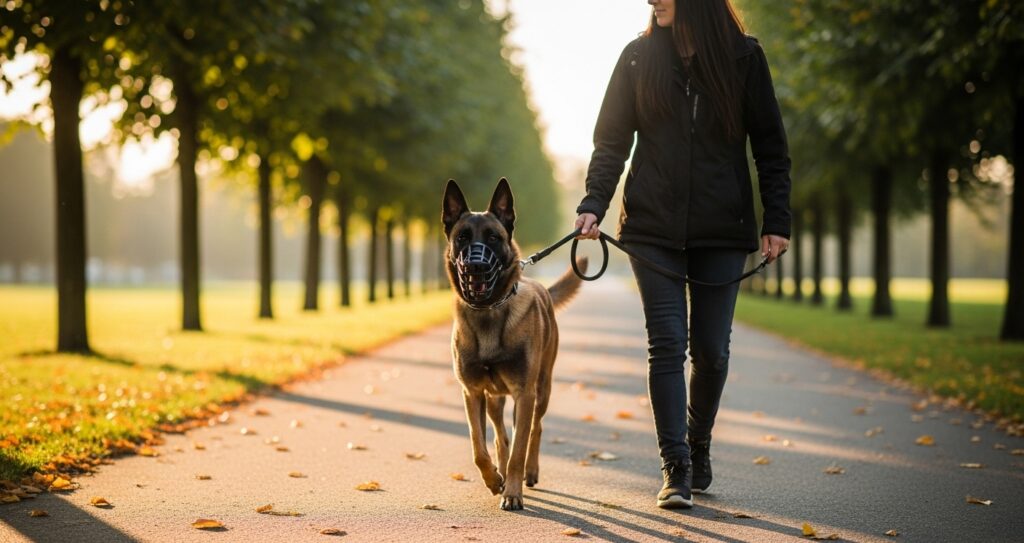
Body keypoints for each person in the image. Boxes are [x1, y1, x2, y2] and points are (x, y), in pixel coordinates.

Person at [575, 0, 792, 509]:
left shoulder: (744, 58)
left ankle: (698, 443)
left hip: (723, 228)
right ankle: (675, 466)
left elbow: (771, 147)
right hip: (652, 228)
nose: (650, 0)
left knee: (712, 351)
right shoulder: (637, 58)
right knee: (667, 344)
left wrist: (777, 220)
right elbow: (611, 142)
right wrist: (593, 204)